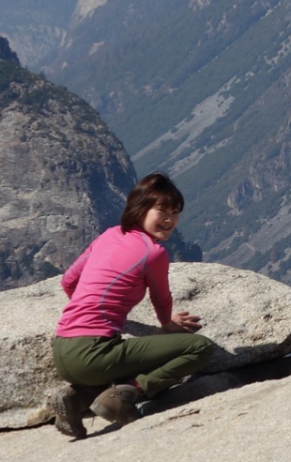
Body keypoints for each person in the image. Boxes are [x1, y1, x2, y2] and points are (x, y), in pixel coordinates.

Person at [48, 172, 215, 439]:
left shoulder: (109, 235)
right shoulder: (153, 253)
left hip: (63, 349)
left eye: (175, 212)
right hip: (93, 352)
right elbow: (161, 298)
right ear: (140, 209)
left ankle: (76, 398)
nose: (170, 219)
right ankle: (129, 394)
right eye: (162, 210)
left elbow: (69, 281)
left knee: (123, 359)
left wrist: (88, 311)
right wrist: (167, 323)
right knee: (200, 347)